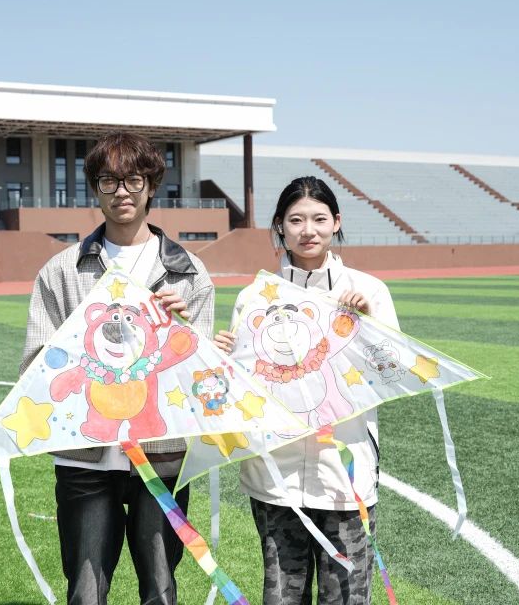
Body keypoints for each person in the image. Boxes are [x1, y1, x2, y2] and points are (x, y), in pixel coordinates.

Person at [20, 132, 215, 605]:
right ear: (95, 188)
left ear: (151, 186)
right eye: (109, 180)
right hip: (84, 455)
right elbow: (35, 365)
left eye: (133, 180)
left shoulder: (188, 272)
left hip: (162, 452)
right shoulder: (62, 270)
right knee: (85, 593)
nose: (121, 191)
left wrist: (182, 331)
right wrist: (77, 351)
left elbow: (204, 378)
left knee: (160, 590)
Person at [213, 176, 399, 605]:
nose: (308, 230)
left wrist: (368, 324)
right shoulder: (254, 297)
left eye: (319, 219)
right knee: (282, 593)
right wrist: (220, 358)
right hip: (273, 475)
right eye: (296, 220)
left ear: (337, 222)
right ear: (280, 225)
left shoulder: (369, 291)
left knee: (347, 595)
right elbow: (242, 387)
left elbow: (391, 371)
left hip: (344, 473)